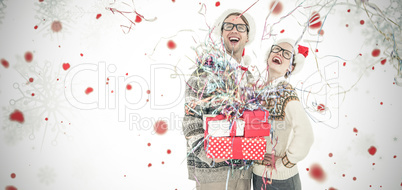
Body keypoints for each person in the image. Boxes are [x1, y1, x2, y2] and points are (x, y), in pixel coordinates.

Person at [182, 11, 255, 190]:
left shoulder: (249, 77)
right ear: (221, 33)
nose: (234, 30)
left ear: (247, 36)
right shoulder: (204, 72)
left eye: (241, 27)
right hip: (213, 174)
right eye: (228, 26)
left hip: (244, 172)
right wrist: (209, 155)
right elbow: (190, 120)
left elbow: (254, 122)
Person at [252, 38, 314, 190]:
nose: (280, 53)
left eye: (287, 54)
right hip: (257, 176)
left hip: (280, 181)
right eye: (277, 49)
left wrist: (284, 162)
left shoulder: (285, 91)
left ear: (290, 67)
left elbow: (306, 134)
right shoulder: (257, 91)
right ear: (268, 56)